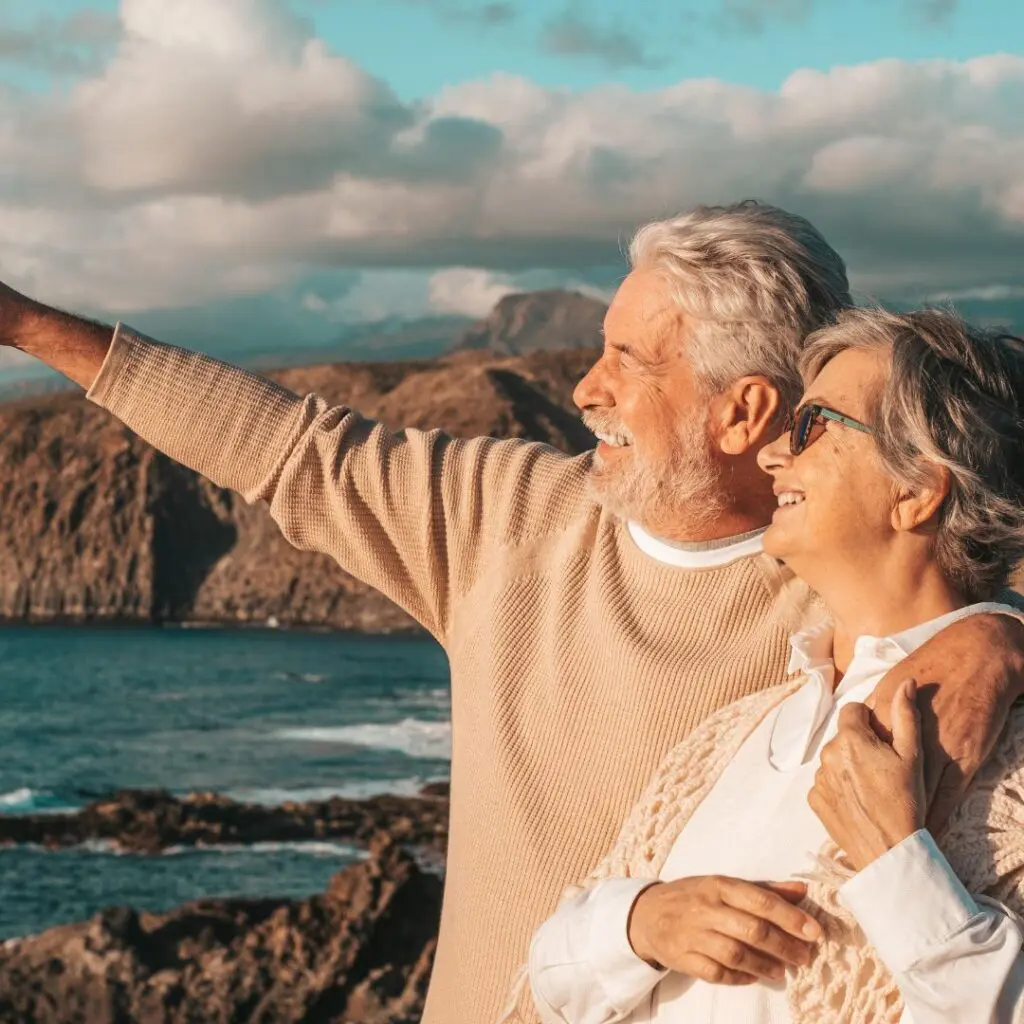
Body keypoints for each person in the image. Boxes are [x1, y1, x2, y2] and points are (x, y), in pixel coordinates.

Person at [0, 204, 1022, 1024]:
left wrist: (994, 629)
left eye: (628, 359)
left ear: (744, 411)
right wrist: (24, 324)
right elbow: (281, 446)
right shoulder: (509, 516)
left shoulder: (832, 604)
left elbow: (943, 565)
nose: (584, 388)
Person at [521, 308, 1024, 1024]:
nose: (771, 455)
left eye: (812, 425)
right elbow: (544, 987)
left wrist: (898, 867)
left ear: (917, 491)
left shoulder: (1013, 762)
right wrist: (637, 925)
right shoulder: (730, 735)